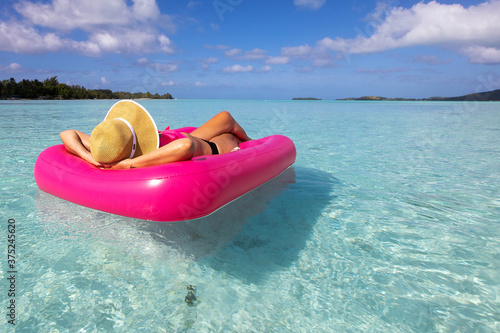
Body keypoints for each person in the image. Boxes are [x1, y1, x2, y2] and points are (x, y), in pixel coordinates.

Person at [60, 100, 251, 170]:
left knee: (225, 117)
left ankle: (252, 141)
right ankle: (254, 143)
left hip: (181, 136)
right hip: (211, 147)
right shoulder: (131, 156)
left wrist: (90, 157)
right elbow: (185, 146)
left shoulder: (109, 146)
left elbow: (68, 133)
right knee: (230, 129)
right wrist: (127, 165)